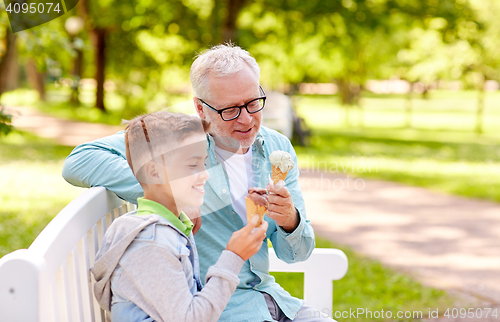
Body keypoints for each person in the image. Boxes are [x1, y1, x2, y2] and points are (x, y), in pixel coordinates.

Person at [63, 44, 334, 322]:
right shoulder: (178, 140)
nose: (247, 119)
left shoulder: (278, 145)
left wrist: (290, 219)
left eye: (253, 103)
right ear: (200, 108)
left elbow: (296, 255)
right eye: (230, 110)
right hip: (217, 308)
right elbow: (81, 160)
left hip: (272, 299)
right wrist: (173, 194)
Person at [91, 111, 268, 321]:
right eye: (192, 165)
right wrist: (234, 256)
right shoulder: (150, 243)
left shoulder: (172, 228)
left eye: (204, 163)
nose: (205, 173)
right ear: (154, 173)